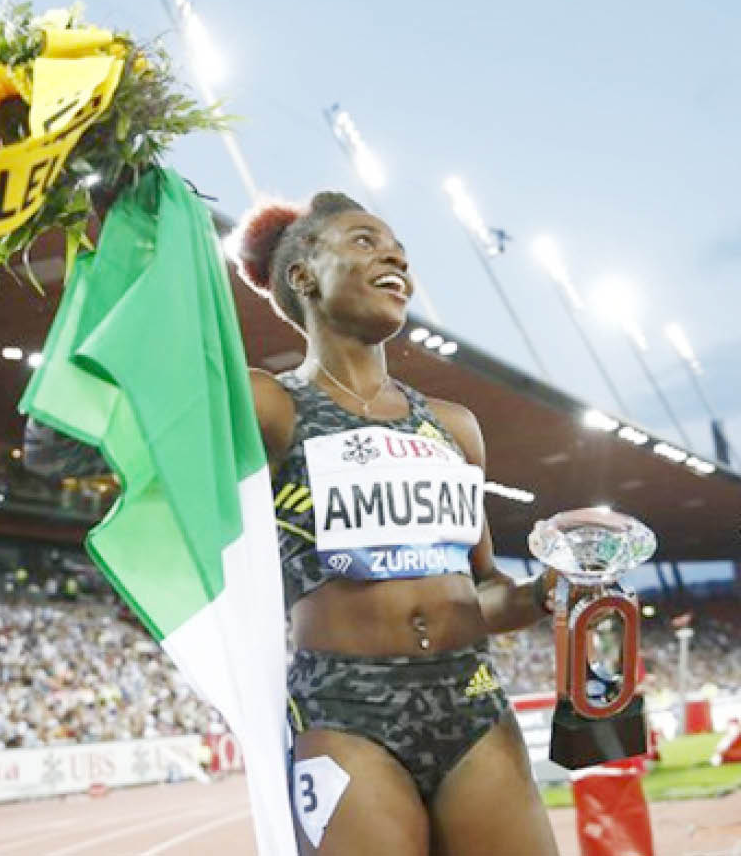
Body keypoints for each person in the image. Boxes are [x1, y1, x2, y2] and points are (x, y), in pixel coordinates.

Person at [233, 192, 588, 855]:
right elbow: (130, 416)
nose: (394, 253)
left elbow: (484, 591)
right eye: (364, 241)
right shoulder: (270, 403)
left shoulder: (454, 427)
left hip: (471, 706)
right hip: (344, 715)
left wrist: (547, 591)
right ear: (303, 275)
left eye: (397, 246)